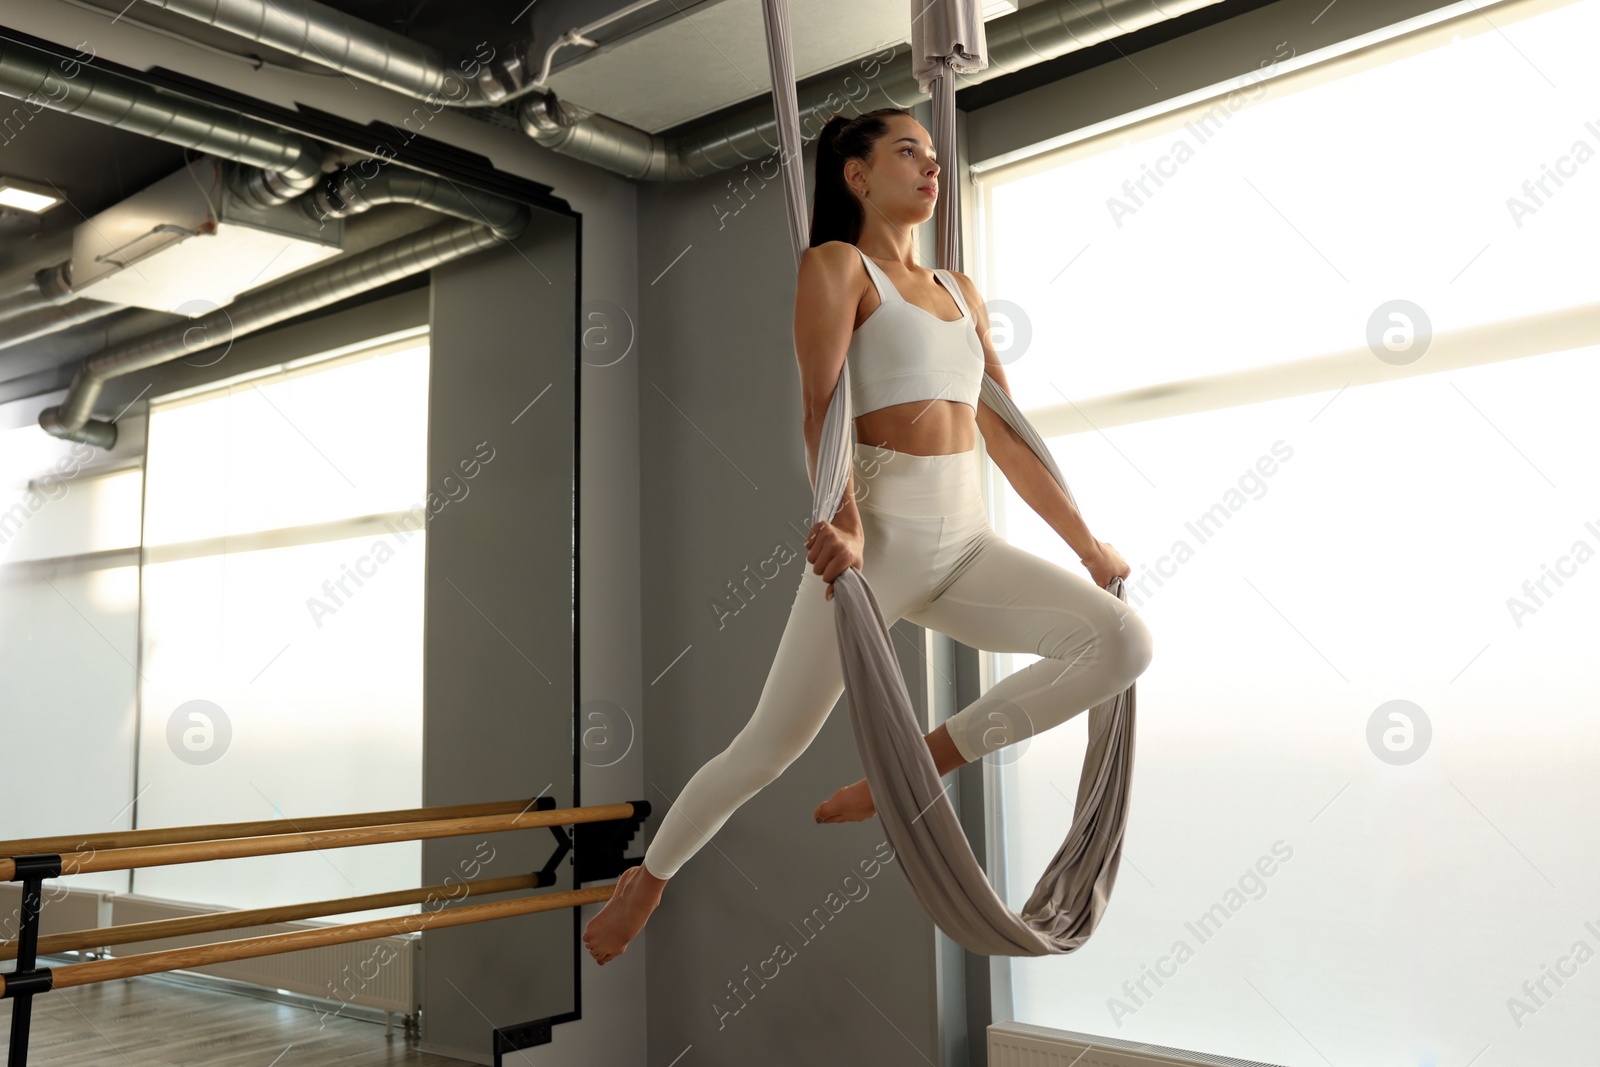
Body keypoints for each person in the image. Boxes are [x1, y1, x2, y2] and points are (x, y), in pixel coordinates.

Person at [582, 108, 1153, 965]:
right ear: (857, 174)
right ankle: (650, 877)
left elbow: (1006, 433)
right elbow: (818, 409)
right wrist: (841, 520)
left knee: (1121, 642)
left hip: (965, 549)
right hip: (876, 551)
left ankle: (916, 767)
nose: (930, 167)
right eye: (908, 152)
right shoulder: (837, 267)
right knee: (766, 749)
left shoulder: (962, 291)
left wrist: (1086, 544)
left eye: (933, 155)